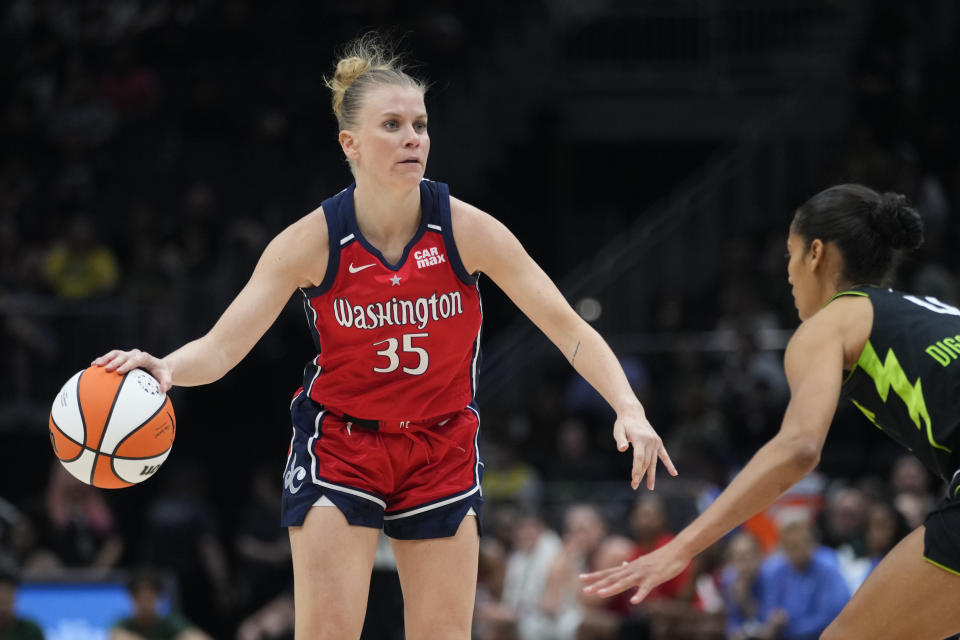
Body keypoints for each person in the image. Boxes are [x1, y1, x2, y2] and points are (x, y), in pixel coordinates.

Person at [93, 32, 675, 639]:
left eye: (420, 125)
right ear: (351, 143)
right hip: (343, 444)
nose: (412, 138)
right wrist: (165, 366)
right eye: (392, 125)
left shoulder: (466, 230)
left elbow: (567, 327)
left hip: (441, 441)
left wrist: (628, 407)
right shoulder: (311, 242)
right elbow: (220, 347)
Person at [582, 183, 960, 639]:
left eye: (790, 254)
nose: (787, 274)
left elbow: (799, 448)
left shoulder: (830, 324)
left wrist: (682, 546)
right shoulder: (935, 311)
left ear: (816, 253)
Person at [110, 568, 211, 640]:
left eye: (149, 598)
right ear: (131, 597)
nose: (145, 603)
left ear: (159, 597)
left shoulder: (171, 623)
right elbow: (117, 636)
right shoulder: (124, 624)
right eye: (140, 598)